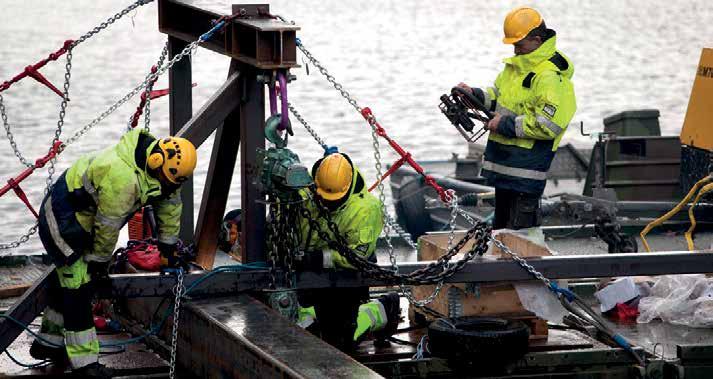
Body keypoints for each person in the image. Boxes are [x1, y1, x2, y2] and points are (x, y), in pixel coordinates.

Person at [30, 128, 197, 378]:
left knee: (66, 281)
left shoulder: (166, 176)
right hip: (62, 219)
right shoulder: (123, 177)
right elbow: (107, 228)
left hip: (86, 218)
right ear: (156, 161)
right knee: (78, 287)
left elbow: (170, 206)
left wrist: (168, 249)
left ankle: (48, 344)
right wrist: (99, 263)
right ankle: (84, 365)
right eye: (165, 180)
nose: (167, 187)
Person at [459, 6, 576, 231]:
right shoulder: (515, 68)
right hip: (503, 169)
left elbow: (547, 125)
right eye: (513, 45)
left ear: (537, 40)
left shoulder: (550, 78)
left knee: (522, 237)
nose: (516, 49)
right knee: (501, 233)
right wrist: (474, 95)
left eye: (519, 45)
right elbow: (497, 98)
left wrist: (504, 124)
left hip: (525, 174)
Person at [295, 152, 400, 352]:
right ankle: (312, 314)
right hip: (307, 269)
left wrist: (320, 258)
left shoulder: (366, 209)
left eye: (333, 200)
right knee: (304, 326)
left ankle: (383, 308)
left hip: (348, 272)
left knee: (342, 341)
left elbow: (357, 257)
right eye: (323, 198)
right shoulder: (302, 193)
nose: (327, 203)